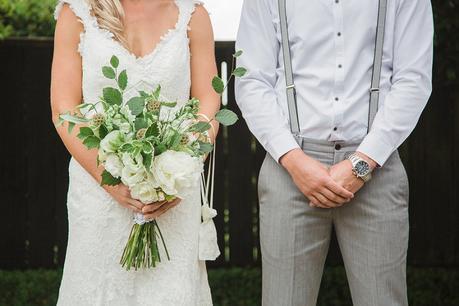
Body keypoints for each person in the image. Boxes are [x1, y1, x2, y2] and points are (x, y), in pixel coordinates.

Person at [235, 0, 433, 305]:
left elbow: (413, 79)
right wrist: (294, 160)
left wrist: (362, 163)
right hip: (289, 167)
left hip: (375, 167)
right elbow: (252, 81)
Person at [51, 0, 220, 305]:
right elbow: (63, 111)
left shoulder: (193, 14)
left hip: (173, 197)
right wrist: (111, 181)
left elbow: (207, 101)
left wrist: (179, 171)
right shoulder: (75, 13)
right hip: (98, 193)